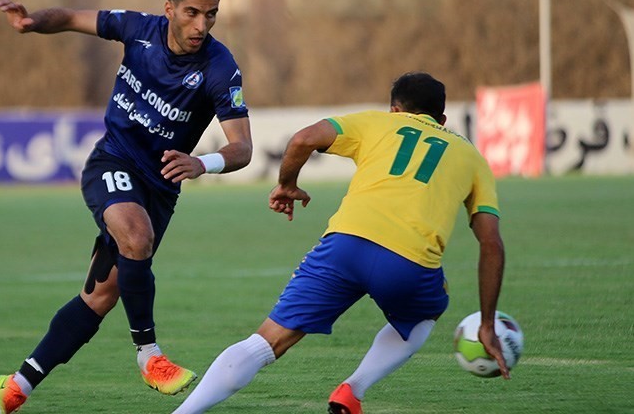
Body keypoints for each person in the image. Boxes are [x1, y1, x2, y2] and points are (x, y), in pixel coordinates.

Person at [0, 0, 252, 414]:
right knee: (136, 234)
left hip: (160, 189)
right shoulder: (137, 29)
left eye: (211, 14)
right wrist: (33, 23)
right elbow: (70, 17)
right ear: (170, 9)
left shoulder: (220, 67)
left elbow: (242, 148)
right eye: (192, 12)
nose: (201, 25)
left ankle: (15, 387)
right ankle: (149, 354)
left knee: (100, 296)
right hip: (112, 160)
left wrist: (201, 163)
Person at [172, 71, 508, 414]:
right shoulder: (472, 158)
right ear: (443, 119)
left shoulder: (376, 122)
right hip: (408, 264)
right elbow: (491, 244)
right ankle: (353, 389)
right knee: (425, 314)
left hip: (344, 247)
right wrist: (486, 323)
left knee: (265, 342)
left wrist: (287, 184)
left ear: (395, 110)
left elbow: (303, 139)